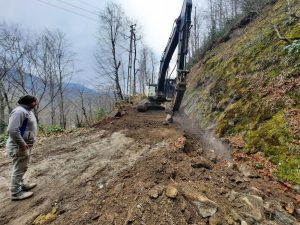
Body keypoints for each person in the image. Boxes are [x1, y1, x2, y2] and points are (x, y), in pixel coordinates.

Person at [6, 95, 38, 200]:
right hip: (18, 146)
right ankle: (16, 193)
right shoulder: (19, 111)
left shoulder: (27, 110)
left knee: (23, 167)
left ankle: (22, 185)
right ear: (29, 102)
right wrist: (22, 144)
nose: (36, 103)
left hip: (24, 145)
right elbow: (12, 130)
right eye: (35, 101)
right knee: (19, 169)